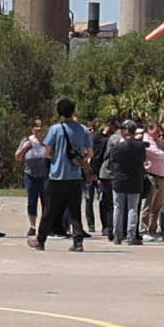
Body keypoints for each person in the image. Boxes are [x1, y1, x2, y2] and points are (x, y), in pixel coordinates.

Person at [36, 100, 93, 251]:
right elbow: (90, 153)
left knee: (49, 210)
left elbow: (47, 152)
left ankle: (40, 240)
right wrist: (81, 158)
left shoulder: (55, 129)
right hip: (75, 176)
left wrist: (55, 158)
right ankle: (78, 242)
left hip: (57, 175)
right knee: (75, 211)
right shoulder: (83, 130)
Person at [103, 122, 152, 245]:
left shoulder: (117, 146)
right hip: (135, 179)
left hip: (119, 179)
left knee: (118, 207)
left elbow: (111, 160)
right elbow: (143, 159)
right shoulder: (140, 146)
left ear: (125, 131)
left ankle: (117, 235)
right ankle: (131, 236)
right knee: (133, 208)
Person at [19, 117, 51, 242]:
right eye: (35, 126)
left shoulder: (47, 141)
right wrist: (25, 147)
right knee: (32, 201)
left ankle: (45, 226)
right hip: (30, 175)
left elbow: (52, 155)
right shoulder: (26, 140)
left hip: (44, 176)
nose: (38, 128)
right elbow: (17, 157)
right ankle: (32, 226)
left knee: (46, 202)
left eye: (40, 126)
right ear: (32, 128)